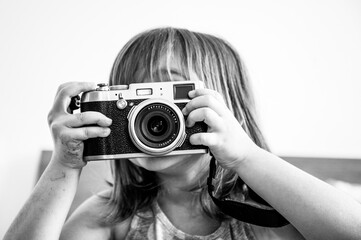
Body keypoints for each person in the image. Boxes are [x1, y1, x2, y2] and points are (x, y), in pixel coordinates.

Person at [4, 27, 361, 240]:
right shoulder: (114, 216)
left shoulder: (273, 210)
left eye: (166, 94)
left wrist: (244, 155)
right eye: (131, 97)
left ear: (227, 106)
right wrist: (63, 166)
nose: (147, 115)